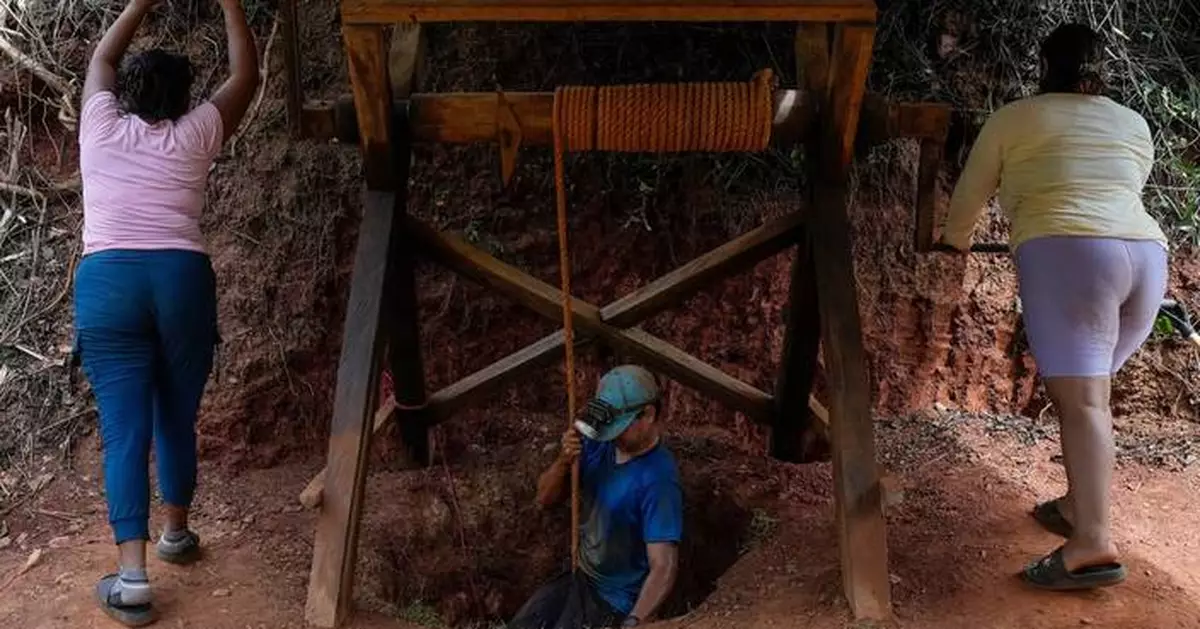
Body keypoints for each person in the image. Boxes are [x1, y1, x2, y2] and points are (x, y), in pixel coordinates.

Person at [938, 23, 1168, 591]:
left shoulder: (1016, 117)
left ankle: (1092, 541)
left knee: (1083, 403)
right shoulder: (1133, 122)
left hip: (1073, 256)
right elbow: (1125, 185)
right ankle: (1074, 506)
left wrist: (954, 240)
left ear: (1045, 66)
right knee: (1091, 401)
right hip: (1146, 258)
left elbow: (972, 191)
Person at [75, 0, 258, 624]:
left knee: (125, 430)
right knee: (176, 414)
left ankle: (132, 580)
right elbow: (245, 76)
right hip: (181, 279)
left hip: (108, 283)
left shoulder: (100, 126)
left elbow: (103, 58)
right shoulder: (196, 133)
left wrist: (140, 3)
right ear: (184, 101)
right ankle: (176, 534)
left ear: (126, 96)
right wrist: (231, 3)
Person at [511, 365, 684, 629]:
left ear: (648, 414)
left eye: (620, 428)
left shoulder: (658, 480)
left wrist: (634, 620)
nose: (613, 435)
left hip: (615, 600)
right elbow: (544, 499)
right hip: (580, 577)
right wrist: (563, 461)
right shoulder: (599, 441)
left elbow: (663, 565)